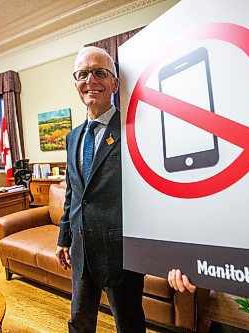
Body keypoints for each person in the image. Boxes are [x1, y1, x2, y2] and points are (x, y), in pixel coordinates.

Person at [55, 46, 146, 333]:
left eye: (99, 72)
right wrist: (64, 238)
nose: (90, 80)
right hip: (81, 251)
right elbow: (73, 192)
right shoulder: (72, 138)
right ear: (76, 84)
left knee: (129, 324)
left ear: (115, 84)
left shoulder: (134, 131)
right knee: (79, 322)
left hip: (120, 253)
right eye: (83, 74)